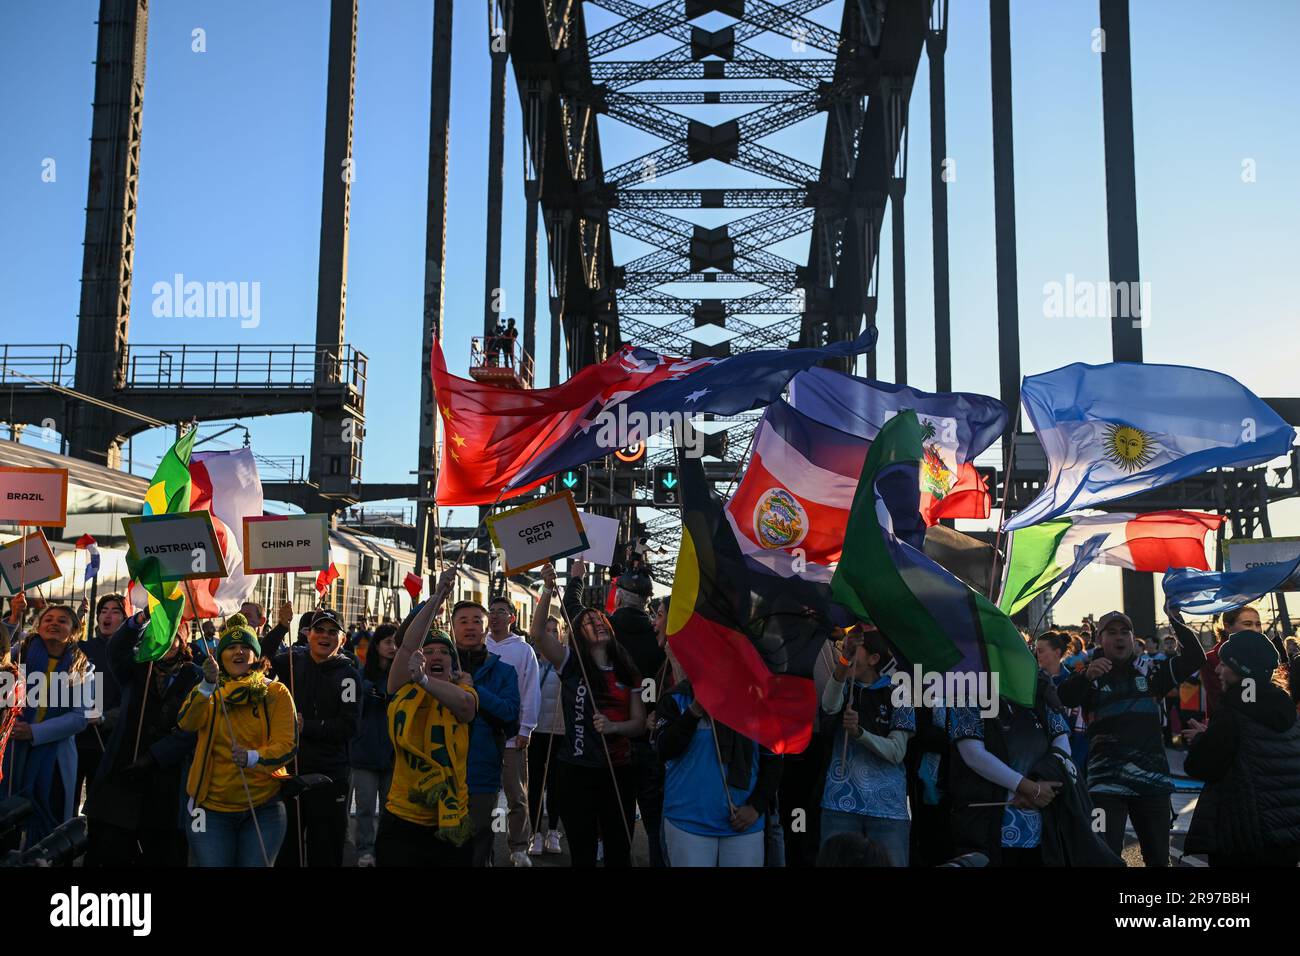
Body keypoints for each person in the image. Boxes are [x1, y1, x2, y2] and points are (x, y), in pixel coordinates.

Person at [1057, 607, 1206, 866]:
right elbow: (1063, 697)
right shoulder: (1090, 675)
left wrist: (1175, 619)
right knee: (1102, 857)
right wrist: (1085, 676)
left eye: (1125, 632)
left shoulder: (1150, 673)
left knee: (1158, 859)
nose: (1119, 638)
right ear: (1099, 640)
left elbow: (1194, 658)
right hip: (1105, 787)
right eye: (1112, 632)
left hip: (1152, 785)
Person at [533, 560, 645, 867]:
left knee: (618, 850)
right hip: (575, 770)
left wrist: (615, 728)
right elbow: (539, 634)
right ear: (579, 635)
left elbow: (638, 724)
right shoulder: (571, 663)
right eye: (587, 622)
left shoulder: (627, 668)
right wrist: (546, 588)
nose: (596, 623)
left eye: (599, 620)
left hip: (617, 772)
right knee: (582, 852)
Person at [83, 610, 201, 867]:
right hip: (122, 776)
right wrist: (140, 619)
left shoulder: (196, 677)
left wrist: (154, 757)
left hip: (167, 782)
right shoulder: (135, 667)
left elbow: (192, 729)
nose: (165, 643)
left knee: (161, 854)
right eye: (158, 636)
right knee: (110, 852)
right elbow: (115, 649)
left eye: (171, 638)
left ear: (183, 641)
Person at [177, 614, 296, 867]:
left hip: (264, 809)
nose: (238, 652)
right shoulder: (208, 689)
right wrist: (207, 687)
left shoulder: (276, 692)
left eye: (245, 647)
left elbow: (288, 745)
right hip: (210, 811)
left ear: (255, 655)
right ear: (220, 656)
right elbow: (186, 723)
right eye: (231, 647)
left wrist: (253, 758)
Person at [377, 569, 478, 866]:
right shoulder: (401, 687)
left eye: (442, 652)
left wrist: (424, 680)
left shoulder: (464, 691)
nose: (435, 656)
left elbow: (465, 708)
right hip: (403, 818)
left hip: (451, 820)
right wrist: (437, 597)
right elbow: (408, 645)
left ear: (452, 660)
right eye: (428, 651)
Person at [1183, 627, 1300, 866]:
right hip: (1287, 834)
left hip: (1244, 835)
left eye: (1224, 664)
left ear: (1240, 670)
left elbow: (1201, 766)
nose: (1217, 669)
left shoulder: (1233, 712)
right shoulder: (1287, 710)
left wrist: (1200, 740)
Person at [654, 673, 780, 867]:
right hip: (688, 823)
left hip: (744, 824)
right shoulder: (677, 697)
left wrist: (756, 806)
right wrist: (694, 711)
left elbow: (773, 761)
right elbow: (663, 749)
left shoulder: (759, 699)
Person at [270, 607, 361, 868]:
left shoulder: (348, 677)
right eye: (319, 630)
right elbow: (261, 659)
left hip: (329, 777)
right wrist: (280, 627)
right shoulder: (292, 661)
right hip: (290, 773)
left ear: (341, 640)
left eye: (333, 632)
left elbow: (349, 726)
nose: (325, 636)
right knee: (286, 853)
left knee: (325, 853)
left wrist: (306, 726)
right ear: (308, 635)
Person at [818, 625, 915, 866]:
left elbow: (897, 752)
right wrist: (844, 659)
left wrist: (860, 733)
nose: (849, 652)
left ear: (873, 658)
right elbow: (829, 706)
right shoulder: (842, 684)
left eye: (856, 649)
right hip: (840, 803)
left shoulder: (899, 691)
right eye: (847, 647)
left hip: (887, 809)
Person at [1, 601, 92, 848]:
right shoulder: (20, 653)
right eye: (48, 619)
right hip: (10, 751)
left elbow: (80, 717)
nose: (54, 623)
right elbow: (2, 655)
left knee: (45, 824)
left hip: (53, 758)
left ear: (74, 630)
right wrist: (13, 617)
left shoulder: (83, 667)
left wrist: (33, 732)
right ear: (38, 626)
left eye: (62, 620)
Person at [450, 597, 521, 865]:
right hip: (443, 773)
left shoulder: (504, 671)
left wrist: (474, 691)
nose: (470, 627)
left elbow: (510, 717)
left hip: (482, 773)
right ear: (452, 626)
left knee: (480, 844)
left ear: (486, 627)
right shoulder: (439, 668)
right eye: (463, 621)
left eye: (476, 621)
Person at [608, 567, 667, 867]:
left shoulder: (604, 632)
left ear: (618, 597)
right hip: (648, 735)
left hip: (611, 737)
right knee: (654, 817)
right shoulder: (659, 639)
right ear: (646, 602)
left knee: (615, 815)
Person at [485, 595, 540, 866]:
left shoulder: (523, 650)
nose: (495, 616)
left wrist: (526, 728)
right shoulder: (477, 644)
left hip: (512, 733)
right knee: (483, 795)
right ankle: (483, 848)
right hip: (480, 734)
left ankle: (519, 847)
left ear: (512, 618)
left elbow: (531, 690)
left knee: (516, 794)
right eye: (491, 611)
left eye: (501, 612)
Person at [351, 622, 397, 867]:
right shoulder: (360, 675)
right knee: (366, 807)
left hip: (393, 752)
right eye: (388, 642)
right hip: (365, 750)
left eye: (396, 642)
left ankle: (387, 847)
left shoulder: (402, 675)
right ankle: (365, 849)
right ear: (376, 645)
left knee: (392, 808)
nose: (393, 647)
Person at [527, 613, 566, 856]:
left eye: (555, 630)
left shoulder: (566, 661)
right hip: (534, 730)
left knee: (555, 784)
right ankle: (535, 833)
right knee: (534, 785)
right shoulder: (530, 659)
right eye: (547, 629)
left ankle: (553, 830)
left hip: (558, 731)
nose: (550, 634)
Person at [1035, 631, 1087, 778]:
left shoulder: (1073, 683)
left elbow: (1080, 731)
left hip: (1070, 759)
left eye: (1041, 651)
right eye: (1036, 651)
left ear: (1057, 652)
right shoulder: (1031, 682)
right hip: (1039, 761)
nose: (1037, 655)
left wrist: (1073, 768)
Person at [1201, 606, 1262, 719]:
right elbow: (1218, 699)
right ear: (1227, 626)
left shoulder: (1262, 654)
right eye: (1248, 624)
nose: (1255, 629)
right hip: (1230, 726)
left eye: (1258, 624)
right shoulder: (1212, 658)